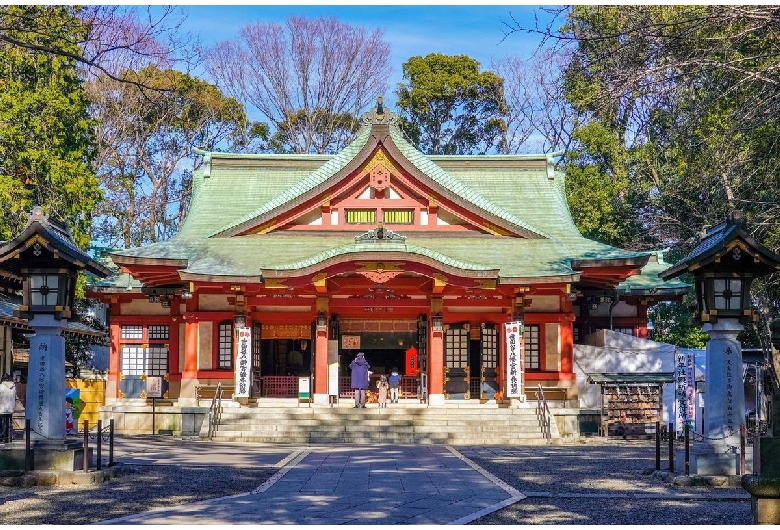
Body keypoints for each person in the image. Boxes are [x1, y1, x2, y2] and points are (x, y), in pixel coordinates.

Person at [0, 374, 16, 443]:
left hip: (2, 408)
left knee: (1, 424)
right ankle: (8, 438)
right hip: (10, 409)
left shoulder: (1, 386)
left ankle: (1, 437)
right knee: (8, 423)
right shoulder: (14, 387)